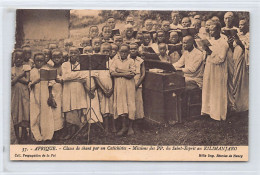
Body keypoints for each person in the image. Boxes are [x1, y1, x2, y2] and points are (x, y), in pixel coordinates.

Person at [201, 21, 230, 121]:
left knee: (217, 90)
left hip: (218, 69)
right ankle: (208, 111)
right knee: (209, 88)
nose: (211, 32)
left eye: (213, 30)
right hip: (209, 68)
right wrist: (205, 51)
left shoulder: (224, 43)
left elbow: (221, 59)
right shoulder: (211, 40)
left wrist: (210, 52)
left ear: (219, 30)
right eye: (210, 30)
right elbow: (205, 57)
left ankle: (217, 113)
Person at [61, 47, 88, 138]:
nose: (73, 55)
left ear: (78, 54)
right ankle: (70, 132)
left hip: (79, 89)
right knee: (69, 108)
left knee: (79, 107)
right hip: (68, 89)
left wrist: (71, 76)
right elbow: (65, 77)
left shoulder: (82, 64)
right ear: (68, 54)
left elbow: (85, 77)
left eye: (75, 53)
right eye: (71, 53)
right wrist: (78, 76)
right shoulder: (65, 64)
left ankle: (80, 131)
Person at [110, 44, 136, 136]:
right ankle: (124, 126)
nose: (123, 53)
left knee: (131, 104)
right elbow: (112, 73)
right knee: (121, 104)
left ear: (128, 52)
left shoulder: (131, 61)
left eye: (126, 51)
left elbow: (132, 74)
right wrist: (125, 73)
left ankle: (130, 127)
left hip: (129, 86)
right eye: (122, 51)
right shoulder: (115, 61)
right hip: (119, 86)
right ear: (118, 52)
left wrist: (119, 71)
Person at [29, 53, 54, 142]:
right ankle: (36, 135)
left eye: (41, 60)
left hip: (45, 93)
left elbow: (50, 83)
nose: (39, 62)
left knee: (46, 113)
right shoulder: (32, 71)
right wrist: (34, 82)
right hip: (34, 94)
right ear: (34, 61)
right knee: (35, 114)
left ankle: (47, 135)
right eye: (37, 60)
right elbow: (29, 84)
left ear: (44, 61)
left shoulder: (47, 70)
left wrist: (50, 95)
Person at [94, 43, 116, 133]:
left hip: (111, 89)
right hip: (101, 89)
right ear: (100, 51)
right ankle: (106, 127)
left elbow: (114, 77)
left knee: (112, 107)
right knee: (104, 107)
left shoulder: (112, 63)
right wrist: (103, 89)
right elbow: (96, 77)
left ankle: (113, 126)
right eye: (104, 51)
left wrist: (112, 89)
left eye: (108, 51)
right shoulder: (97, 62)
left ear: (111, 52)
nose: (106, 53)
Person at [11, 49, 30, 143]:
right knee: (15, 112)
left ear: (23, 59)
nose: (18, 60)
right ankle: (17, 136)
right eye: (16, 58)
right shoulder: (11, 69)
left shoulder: (26, 67)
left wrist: (16, 77)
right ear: (13, 58)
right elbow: (11, 83)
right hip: (14, 94)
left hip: (24, 93)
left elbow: (27, 81)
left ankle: (23, 134)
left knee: (25, 111)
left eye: (20, 58)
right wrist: (19, 76)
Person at [232, 19, 249, 112]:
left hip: (243, 59)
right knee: (234, 78)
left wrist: (239, 42)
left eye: (243, 24)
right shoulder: (238, 34)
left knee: (240, 79)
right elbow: (234, 46)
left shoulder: (249, 35)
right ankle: (234, 102)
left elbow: (247, 48)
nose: (241, 26)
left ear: (247, 25)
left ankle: (242, 104)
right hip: (236, 57)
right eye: (240, 24)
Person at [48, 50, 65, 138]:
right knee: (55, 110)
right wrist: (50, 94)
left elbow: (66, 79)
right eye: (54, 57)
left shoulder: (64, 67)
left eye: (59, 57)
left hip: (63, 90)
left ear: (62, 58)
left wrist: (62, 80)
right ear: (51, 58)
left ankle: (62, 129)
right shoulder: (51, 68)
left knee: (62, 109)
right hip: (55, 91)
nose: (57, 59)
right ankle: (55, 130)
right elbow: (50, 83)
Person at [129, 43, 145, 122]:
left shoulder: (140, 60)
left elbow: (143, 74)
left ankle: (139, 120)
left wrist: (137, 84)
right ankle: (130, 119)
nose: (133, 50)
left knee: (138, 101)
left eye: (134, 49)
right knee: (130, 102)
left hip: (138, 84)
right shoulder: (127, 59)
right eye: (131, 49)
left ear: (137, 50)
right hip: (129, 83)